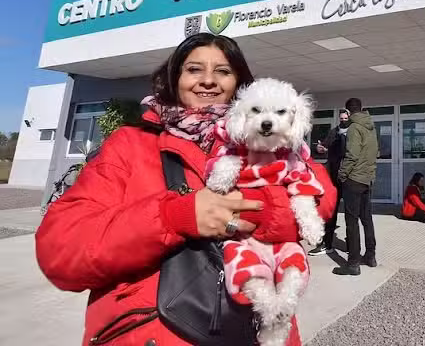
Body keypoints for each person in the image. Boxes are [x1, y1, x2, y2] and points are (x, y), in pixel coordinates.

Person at [34, 33, 337, 346]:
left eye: (223, 71)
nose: (208, 80)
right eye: (194, 69)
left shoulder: (277, 144)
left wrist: (266, 214)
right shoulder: (130, 144)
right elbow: (61, 251)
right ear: (174, 77)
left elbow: (322, 197)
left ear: (239, 85)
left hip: (252, 329)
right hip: (151, 331)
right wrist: (174, 217)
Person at [333, 98, 378, 276]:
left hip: (353, 180)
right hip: (367, 179)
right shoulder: (371, 127)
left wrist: (342, 175)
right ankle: (370, 256)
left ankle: (353, 263)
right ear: (362, 109)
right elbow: (376, 152)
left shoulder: (354, 128)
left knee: (351, 222)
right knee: (366, 219)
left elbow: (351, 155)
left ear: (349, 112)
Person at [308, 108, 350, 256]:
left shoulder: (355, 134)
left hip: (349, 178)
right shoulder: (334, 132)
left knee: (352, 214)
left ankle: (352, 244)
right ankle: (327, 244)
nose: (343, 121)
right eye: (342, 119)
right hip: (333, 177)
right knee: (330, 211)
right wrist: (321, 148)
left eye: (346, 119)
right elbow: (324, 147)